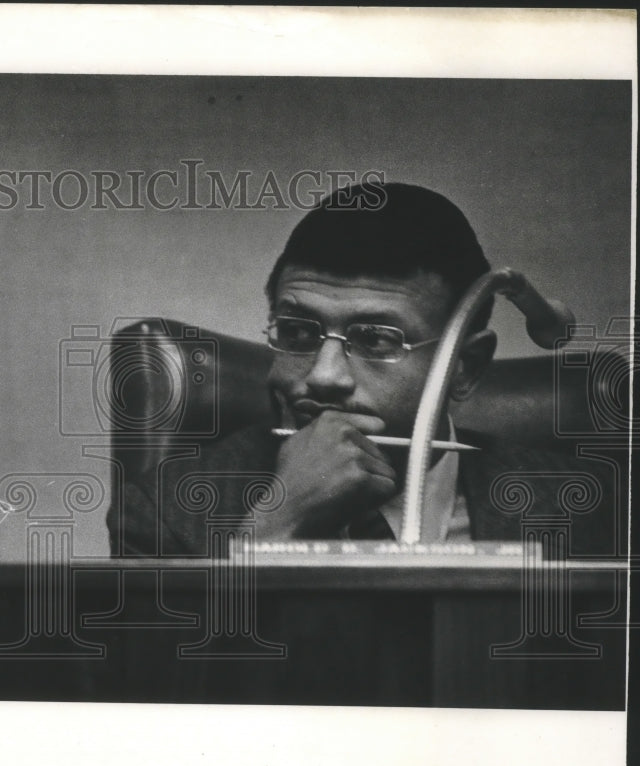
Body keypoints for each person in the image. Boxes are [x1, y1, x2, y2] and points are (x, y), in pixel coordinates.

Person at [109, 182, 623, 557]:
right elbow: (161, 673)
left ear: (464, 367)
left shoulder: (592, 511)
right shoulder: (162, 511)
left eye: (376, 340)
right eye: (298, 333)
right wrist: (274, 527)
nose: (324, 376)